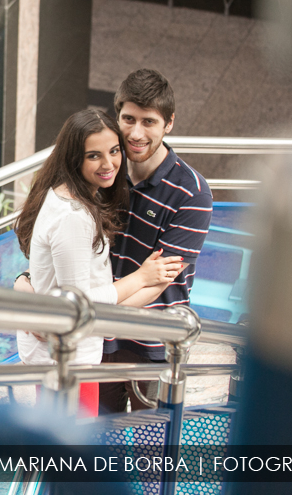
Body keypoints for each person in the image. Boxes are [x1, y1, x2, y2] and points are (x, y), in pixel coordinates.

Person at [12, 109, 183, 416]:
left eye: (114, 151)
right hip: (69, 361)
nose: (109, 164)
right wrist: (141, 278)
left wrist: (22, 282)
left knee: (57, 443)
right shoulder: (73, 218)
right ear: (74, 158)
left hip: (61, 355)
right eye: (94, 156)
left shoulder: (64, 196)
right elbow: (79, 304)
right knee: (71, 450)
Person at [97, 68, 213, 414]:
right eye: (128, 119)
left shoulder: (192, 191)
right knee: (100, 434)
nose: (135, 133)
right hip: (102, 335)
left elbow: (161, 280)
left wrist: (97, 316)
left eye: (149, 121)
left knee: (153, 445)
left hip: (153, 339)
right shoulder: (106, 173)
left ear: (169, 123)